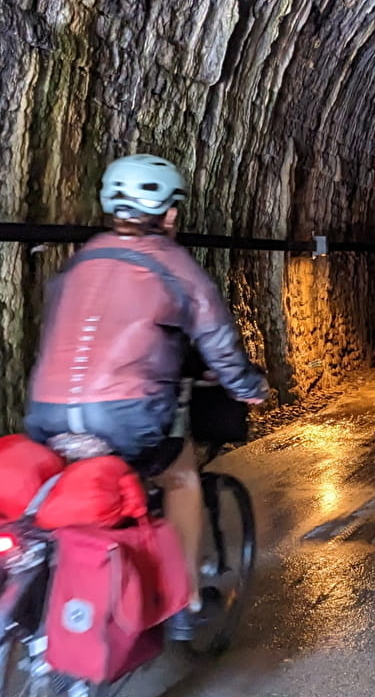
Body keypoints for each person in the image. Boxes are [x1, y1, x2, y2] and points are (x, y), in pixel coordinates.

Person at [25, 153, 270, 637]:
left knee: (82, 485)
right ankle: (186, 601)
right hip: (125, 415)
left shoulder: (79, 262)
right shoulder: (174, 265)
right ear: (171, 213)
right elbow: (217, 342)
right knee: (179, 472)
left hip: (47, 411)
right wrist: (248, 387)